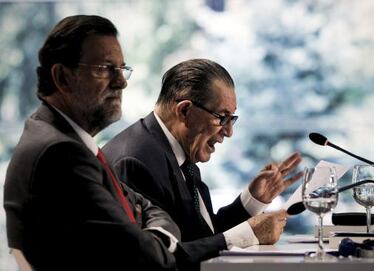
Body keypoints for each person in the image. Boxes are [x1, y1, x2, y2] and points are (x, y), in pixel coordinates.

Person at [3, 15, 180, 270]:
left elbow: (145, 206)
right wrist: (157, 239)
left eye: (122, 68)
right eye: (105, 69)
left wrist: (151, 235)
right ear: (63, 78)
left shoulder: (68, 139)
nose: (122, 82)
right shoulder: (61, 153)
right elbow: (148, 261)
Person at [103, 58, 303, 270]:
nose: (228, 132)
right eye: (222, 118)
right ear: (185, 111)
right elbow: (163, 259)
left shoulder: (178, 151)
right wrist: (247, 235)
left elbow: (202, 235)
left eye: (232, 119)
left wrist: (251, 201)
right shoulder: (135, 161)